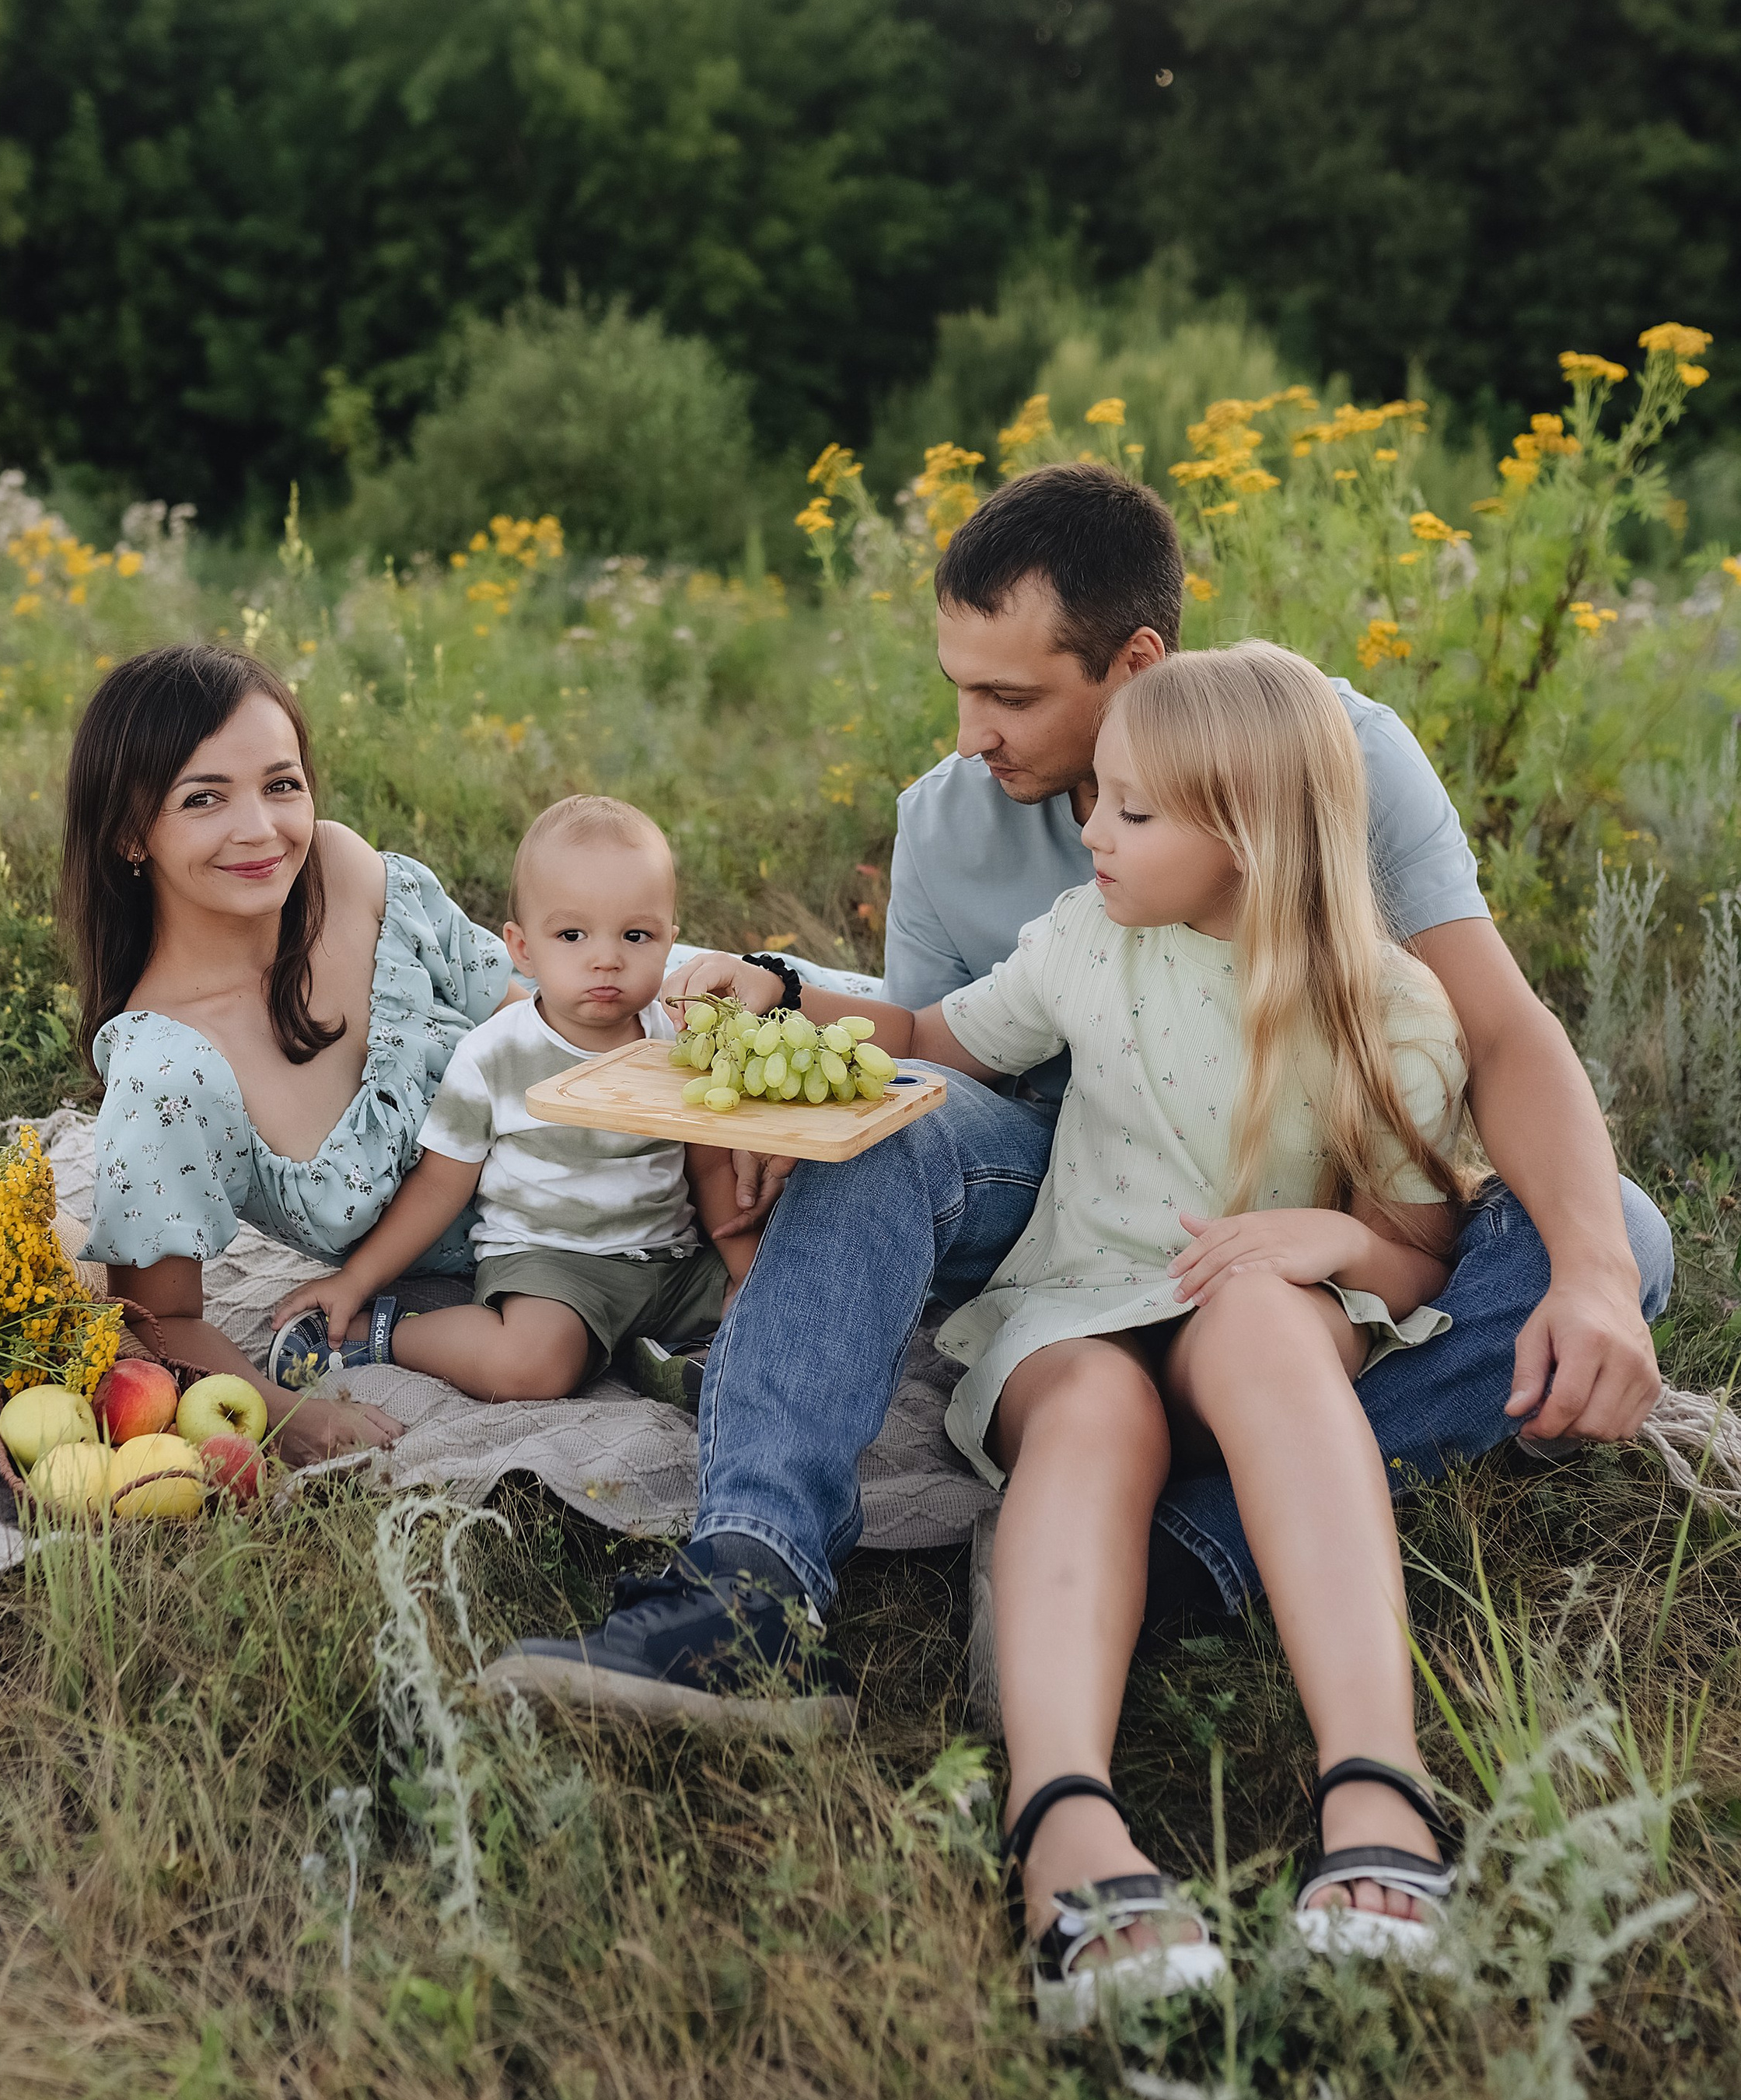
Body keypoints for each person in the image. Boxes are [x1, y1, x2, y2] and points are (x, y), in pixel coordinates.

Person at [489, 462, 1673, 1725]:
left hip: (1313, 1184)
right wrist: (779, 996)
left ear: (1138, 663)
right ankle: (753, 1581)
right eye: (958, 686)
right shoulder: (950, 819)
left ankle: (1186, 1548)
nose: (969, 734)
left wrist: (1593, 1270)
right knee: (900, 1122)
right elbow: (938, 1046)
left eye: (1009, 694)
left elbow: (1499, 1027)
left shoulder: (1325, 752)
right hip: (1065, 1181)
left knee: (1623, 1237)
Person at [941, 646, 1470, 2025]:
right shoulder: (1078, 940)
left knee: (1256, 1320)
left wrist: (1336, 1240)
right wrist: (767, 990)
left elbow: (1414, 1251)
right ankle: (1062, 1815)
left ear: (1246, 833)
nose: (1089, 830)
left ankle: (1376, 1780)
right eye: (1097, 801)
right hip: (1080, 1308)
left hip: (1252, 1318)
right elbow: (933, 1035)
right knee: (1092, 1409)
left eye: (1132, 812)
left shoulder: (1390, 1008)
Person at [62, 643, 513, 1464]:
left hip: (613, 1112)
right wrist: (282, 1411)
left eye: (281, 784)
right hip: (546, 1260)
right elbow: (163, 1320)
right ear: (131, 833)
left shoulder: (342, 868)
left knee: (798, 1011)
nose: (261, 829)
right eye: (204, 798)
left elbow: (525, 1001)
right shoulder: (170, 1070)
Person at [264, 795, 743, 1406]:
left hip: (673, 1258)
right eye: (571, 934)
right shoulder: (495, 1056)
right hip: (553, 1268)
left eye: (636, 935)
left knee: (781, 1300)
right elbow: (441, 1186)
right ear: (521, 947)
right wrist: (356, 1280)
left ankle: (664, 1354)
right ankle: (381, 1337)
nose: (606, 958)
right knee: (532, 1366)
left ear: (669, 941)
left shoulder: (677, 1039)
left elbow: (709, 1165)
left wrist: (742, 1264)